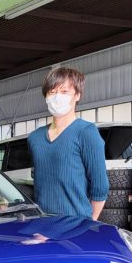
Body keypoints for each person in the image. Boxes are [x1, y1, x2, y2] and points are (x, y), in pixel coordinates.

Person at [27, 67, 108, 220]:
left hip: (76, 224)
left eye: (64, 92)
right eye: (52, 92)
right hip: (42, 223)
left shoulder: (86, 132)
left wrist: (89, 222)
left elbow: (100, 187)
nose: (57, 97)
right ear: (45, 96)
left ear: (77, 95)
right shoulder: (35, 138)